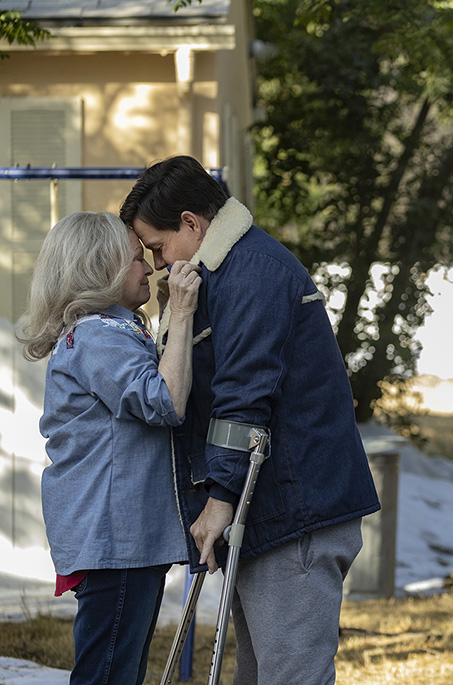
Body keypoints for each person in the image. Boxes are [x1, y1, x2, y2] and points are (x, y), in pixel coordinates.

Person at [120, 155, 381, 684]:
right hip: (268, 510)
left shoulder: (253, 272)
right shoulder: (225, 270)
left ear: (192, 224)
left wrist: (220, 498)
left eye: (158, 247)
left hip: (295, 511)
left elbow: (243, 397)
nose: (158, 263)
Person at [16, 211, 202, 684]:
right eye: (138, 259)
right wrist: (180, 314)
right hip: (117, 538)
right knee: (108, 674)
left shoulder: (110, 331)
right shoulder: (99, 335)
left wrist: (166, 323)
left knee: (117, 669)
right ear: (101, 270)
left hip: (121, 536)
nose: (150, 268)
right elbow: (163, 400)